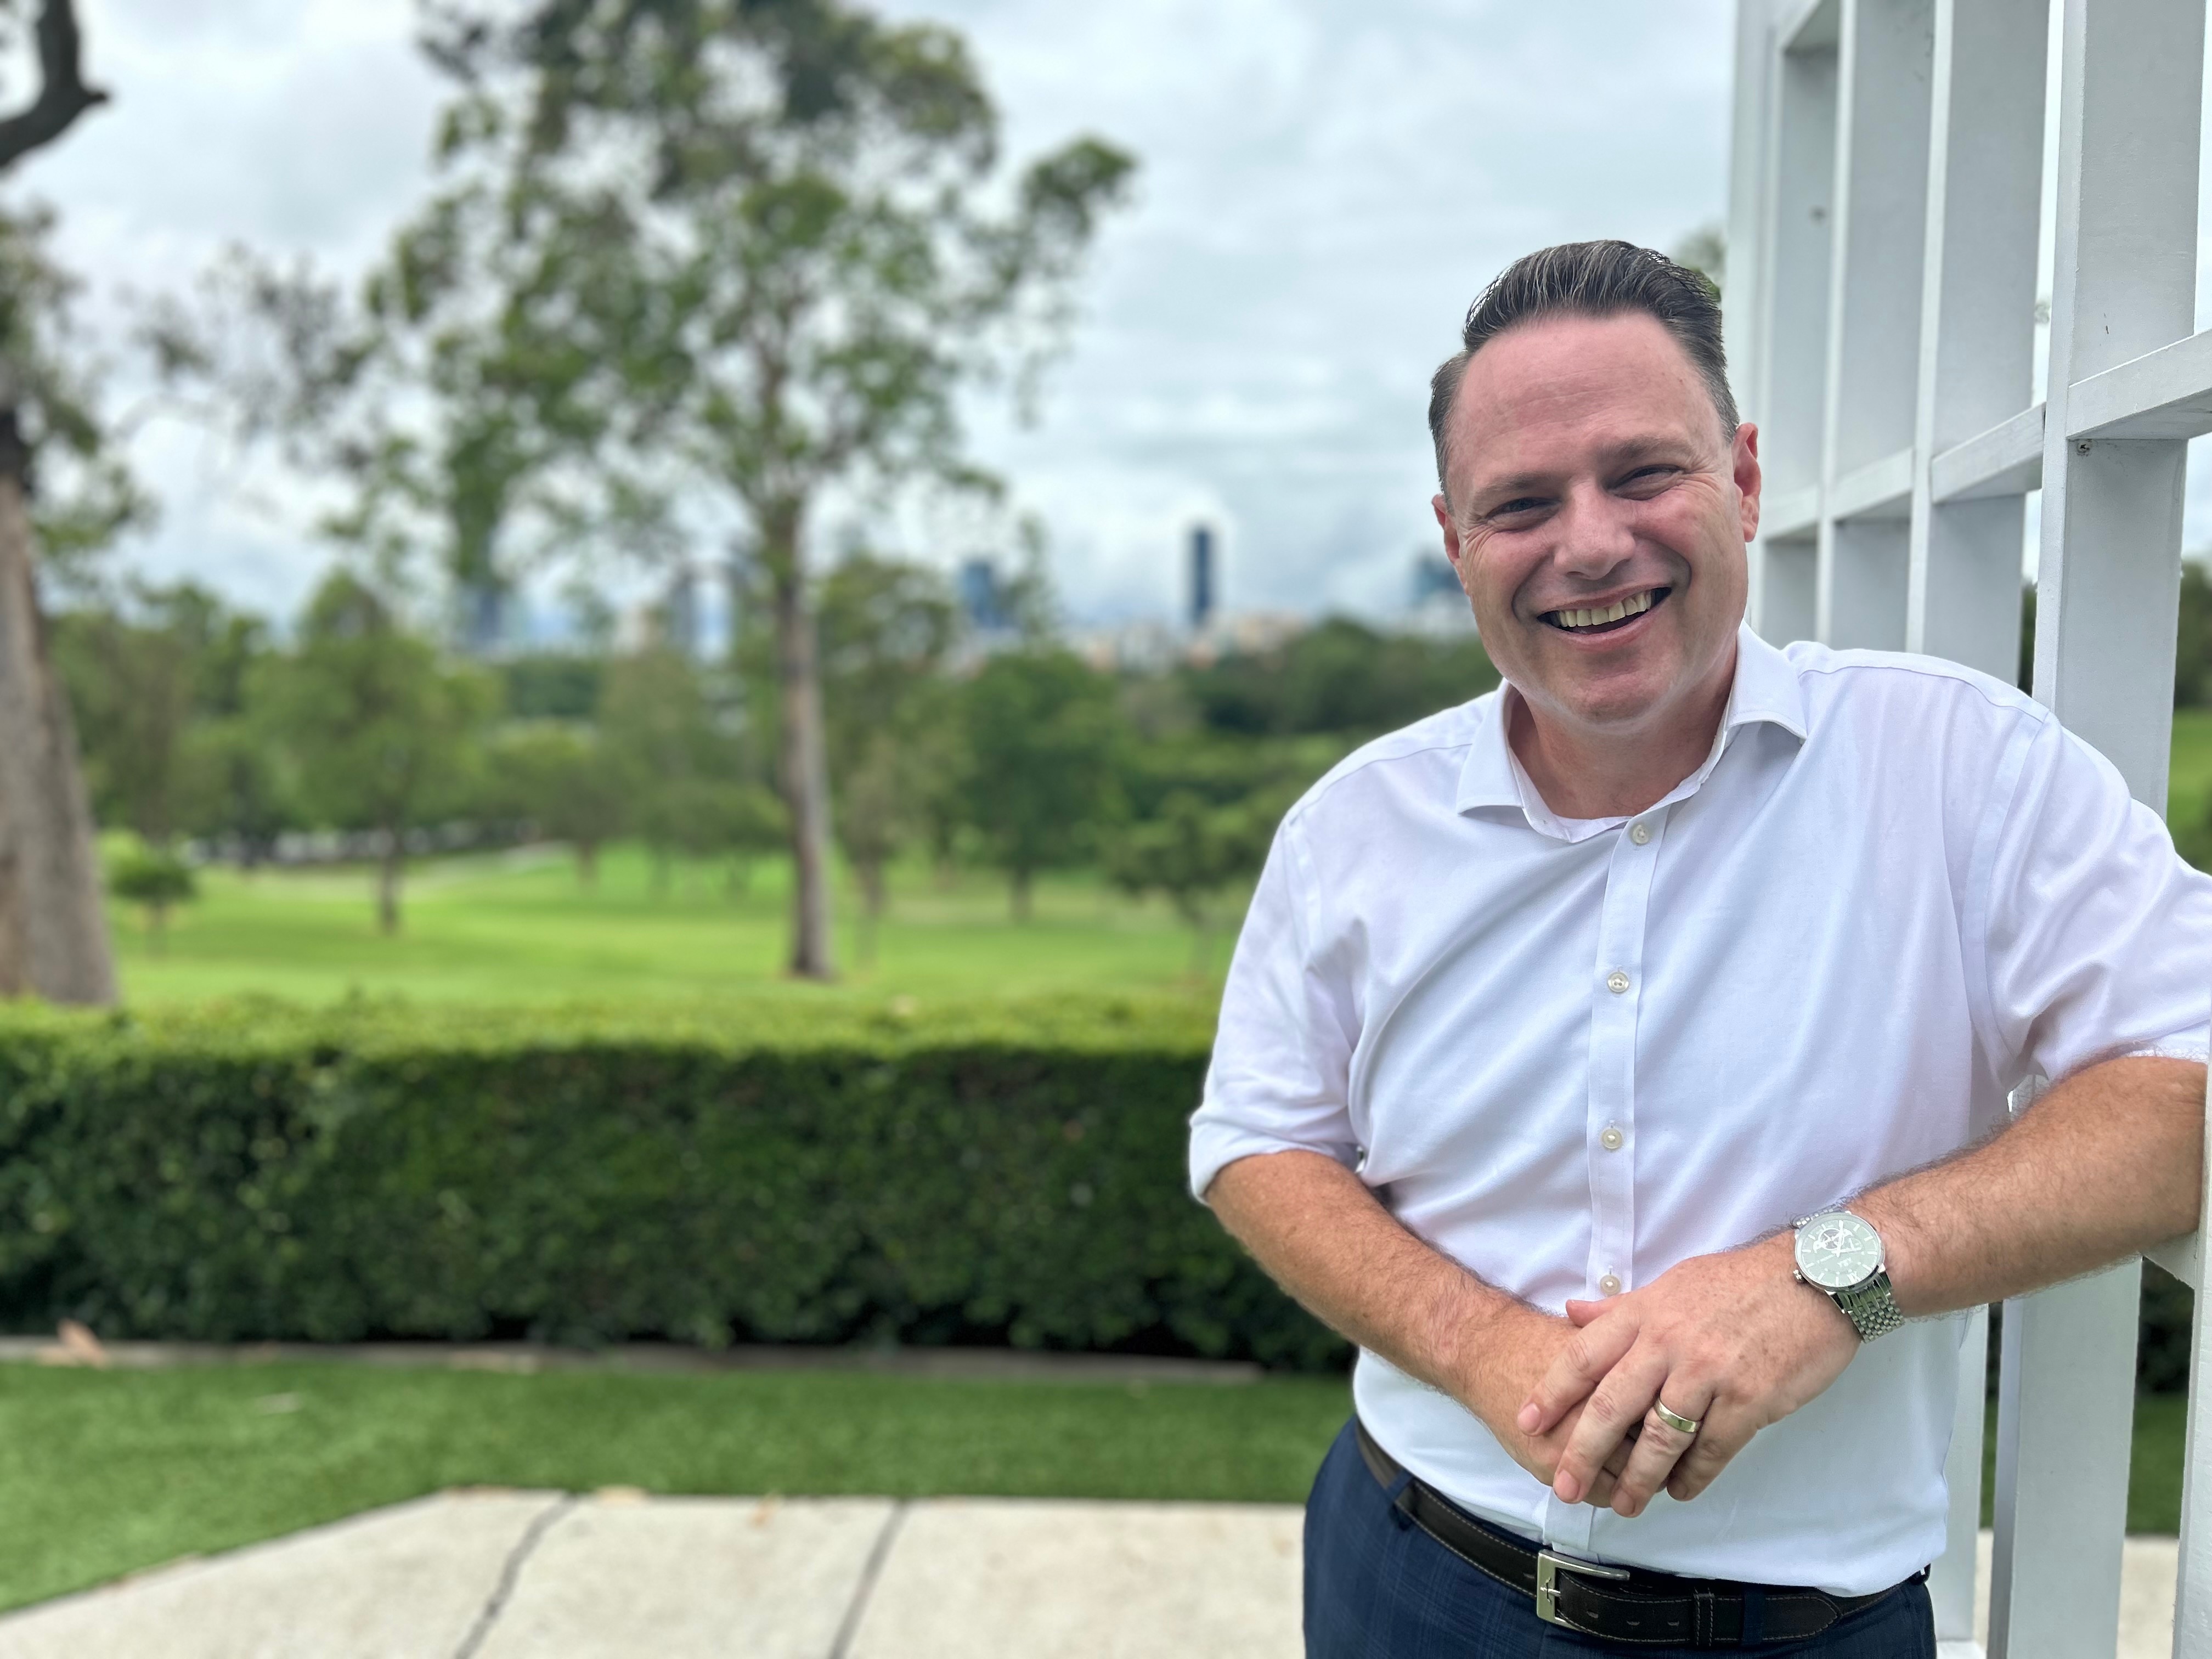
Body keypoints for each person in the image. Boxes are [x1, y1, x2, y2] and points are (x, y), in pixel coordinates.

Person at [1190, 239, 2212, 1656]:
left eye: (1642, 473)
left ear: (1739, 477)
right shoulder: (1355, 826)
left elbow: (2184, 1091)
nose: (1590, 542)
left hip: (1807, 1628)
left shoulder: (1962, 766)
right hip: (1410, 1567)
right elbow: (1259, 1139)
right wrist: (1487, 1350)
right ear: (1454, 538)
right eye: (1522, 503)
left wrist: (1827, 1274)